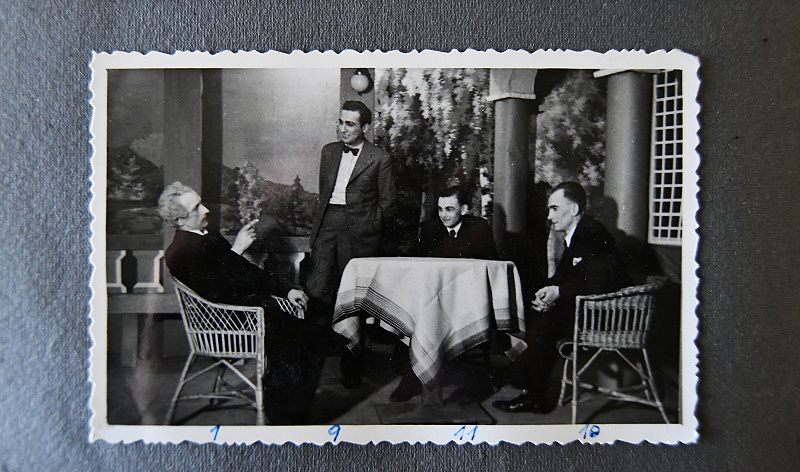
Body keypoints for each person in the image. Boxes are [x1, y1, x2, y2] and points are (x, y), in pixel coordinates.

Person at [159, 181, 325, 424]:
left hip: (245, 313)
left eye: (201, 204)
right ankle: (285, 418)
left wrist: (287, 290)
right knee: (308, 338)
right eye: (196, 208)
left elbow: (247, 273)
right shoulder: (179, 252)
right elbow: (217, 293)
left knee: (313, 334)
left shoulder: (207, 237)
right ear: (179, 220)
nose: (205, 210)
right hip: (223, 324)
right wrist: (236, 251)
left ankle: (288, 410)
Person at [492, 181, 630, 413]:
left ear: (573, 209)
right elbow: (563, 277)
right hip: (584, 308)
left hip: (606, 314)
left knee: (546, 322)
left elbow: (600, 281)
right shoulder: (576, 234)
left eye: (554, 208)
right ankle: (523, 381)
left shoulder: (592, 234)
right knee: (536, 309)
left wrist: (558, 293)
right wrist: (547, 292)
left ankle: (521, 383)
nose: (549, 216)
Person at [306, 100, 397, 388]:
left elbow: (388, 204)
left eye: (350, 124)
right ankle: (309, 367)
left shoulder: (380, 158)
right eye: (340, 122)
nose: (342, 129)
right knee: (317, 293)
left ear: (365, 127)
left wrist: (369, 226)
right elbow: (324, 193)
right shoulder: (329, 151)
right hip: (327, 226)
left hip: (359, 233)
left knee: (353, 300)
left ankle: (351, 369)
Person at [389, 185, 498, 402]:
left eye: (449, 209)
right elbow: (418, 262)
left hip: (467, 300)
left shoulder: (478, 228)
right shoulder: (432, 228)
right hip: (435, 297)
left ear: (464, 209)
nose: (443, 215)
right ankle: (412, 379)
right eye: (440, 209)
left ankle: (467, 384)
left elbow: (488, 266)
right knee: (413, 316)